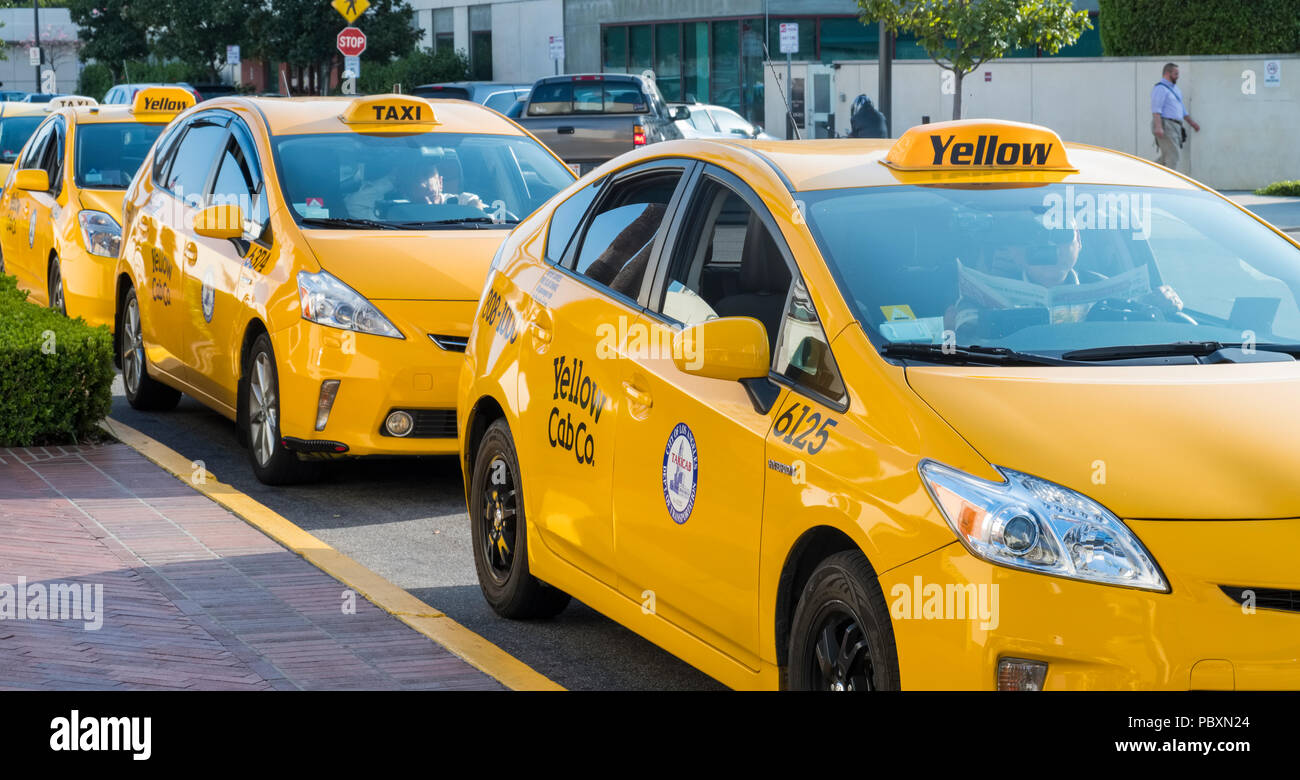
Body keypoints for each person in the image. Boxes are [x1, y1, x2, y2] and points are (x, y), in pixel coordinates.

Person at [1150, 63, 1200, 170]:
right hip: (1166, 125)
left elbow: (1182, 110)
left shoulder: (1176, 90)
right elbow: (1156, 109)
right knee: (1173, 156)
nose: (1178, 76)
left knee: (1166, 158)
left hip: (1175, 126)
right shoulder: (1160, 88)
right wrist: (1158, 127)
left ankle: (1146, 173)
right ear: (1168, 73)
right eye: (1176, 73)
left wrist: (1192, 123)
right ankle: (1168, 184)